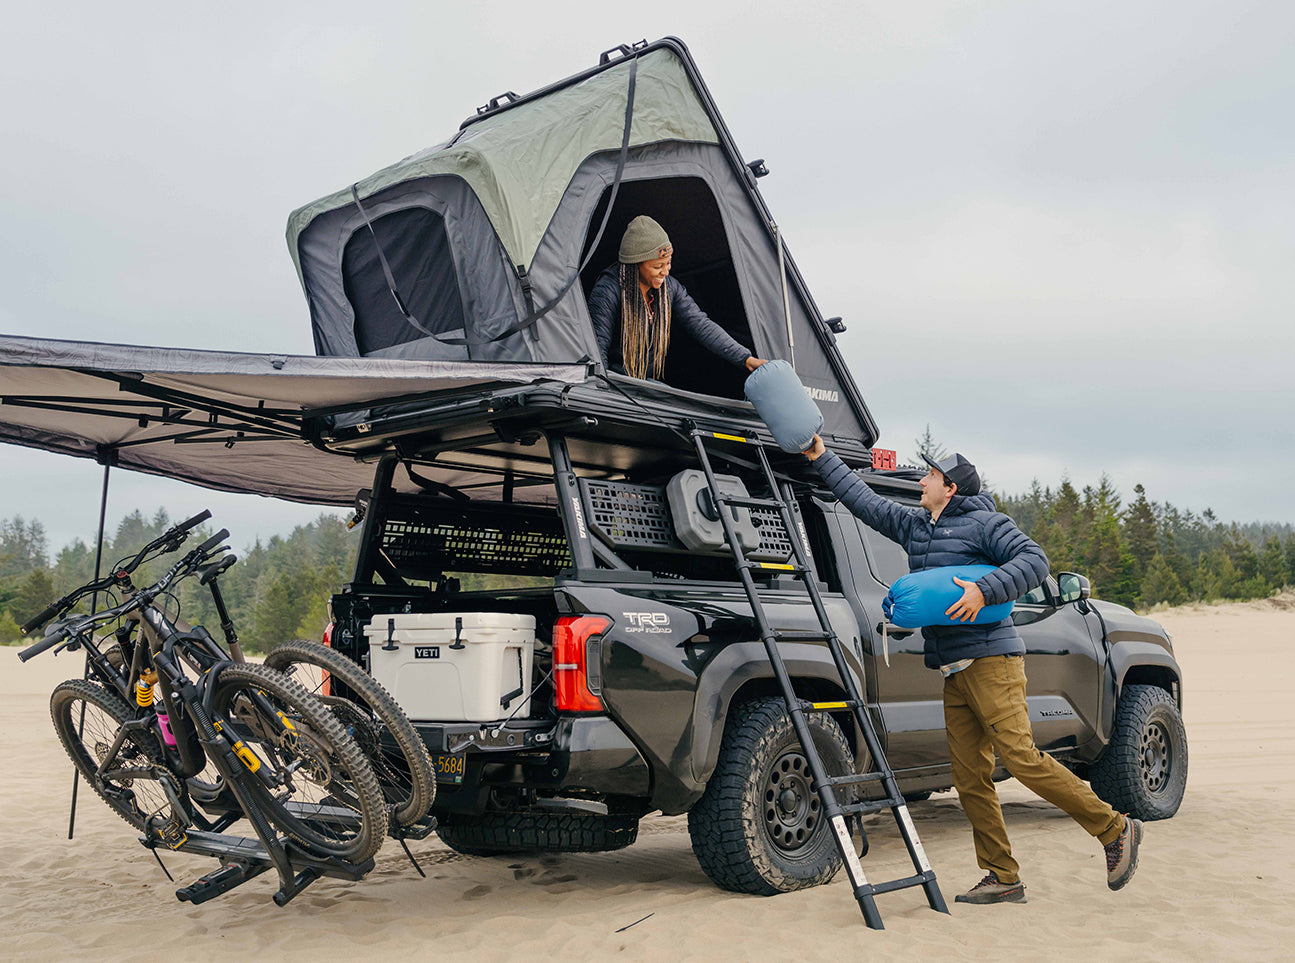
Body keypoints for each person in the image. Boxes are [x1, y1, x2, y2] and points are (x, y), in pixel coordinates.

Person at [801, 436, 1143, 905]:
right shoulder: (916, 526)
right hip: (953, 670)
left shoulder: (986, 523)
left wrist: (984, 590)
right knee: (969, 778)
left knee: (1021, 758)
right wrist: (821, 457)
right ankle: (1003, 876)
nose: (922, 481)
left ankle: (1115, 829)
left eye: (931, 476)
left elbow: (1034, 561)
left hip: (992, 663)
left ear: (951, 488)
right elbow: (864, 501)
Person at [587, 215, 765, 382]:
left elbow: (701, 324)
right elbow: (597, 347)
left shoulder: (670, 287)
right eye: (658, 266)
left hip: (643, 383)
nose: (665, 272)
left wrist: (745, 359)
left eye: (668, 263)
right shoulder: (608, 290)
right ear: (635, 265)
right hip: (613, 381)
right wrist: (603, 389)